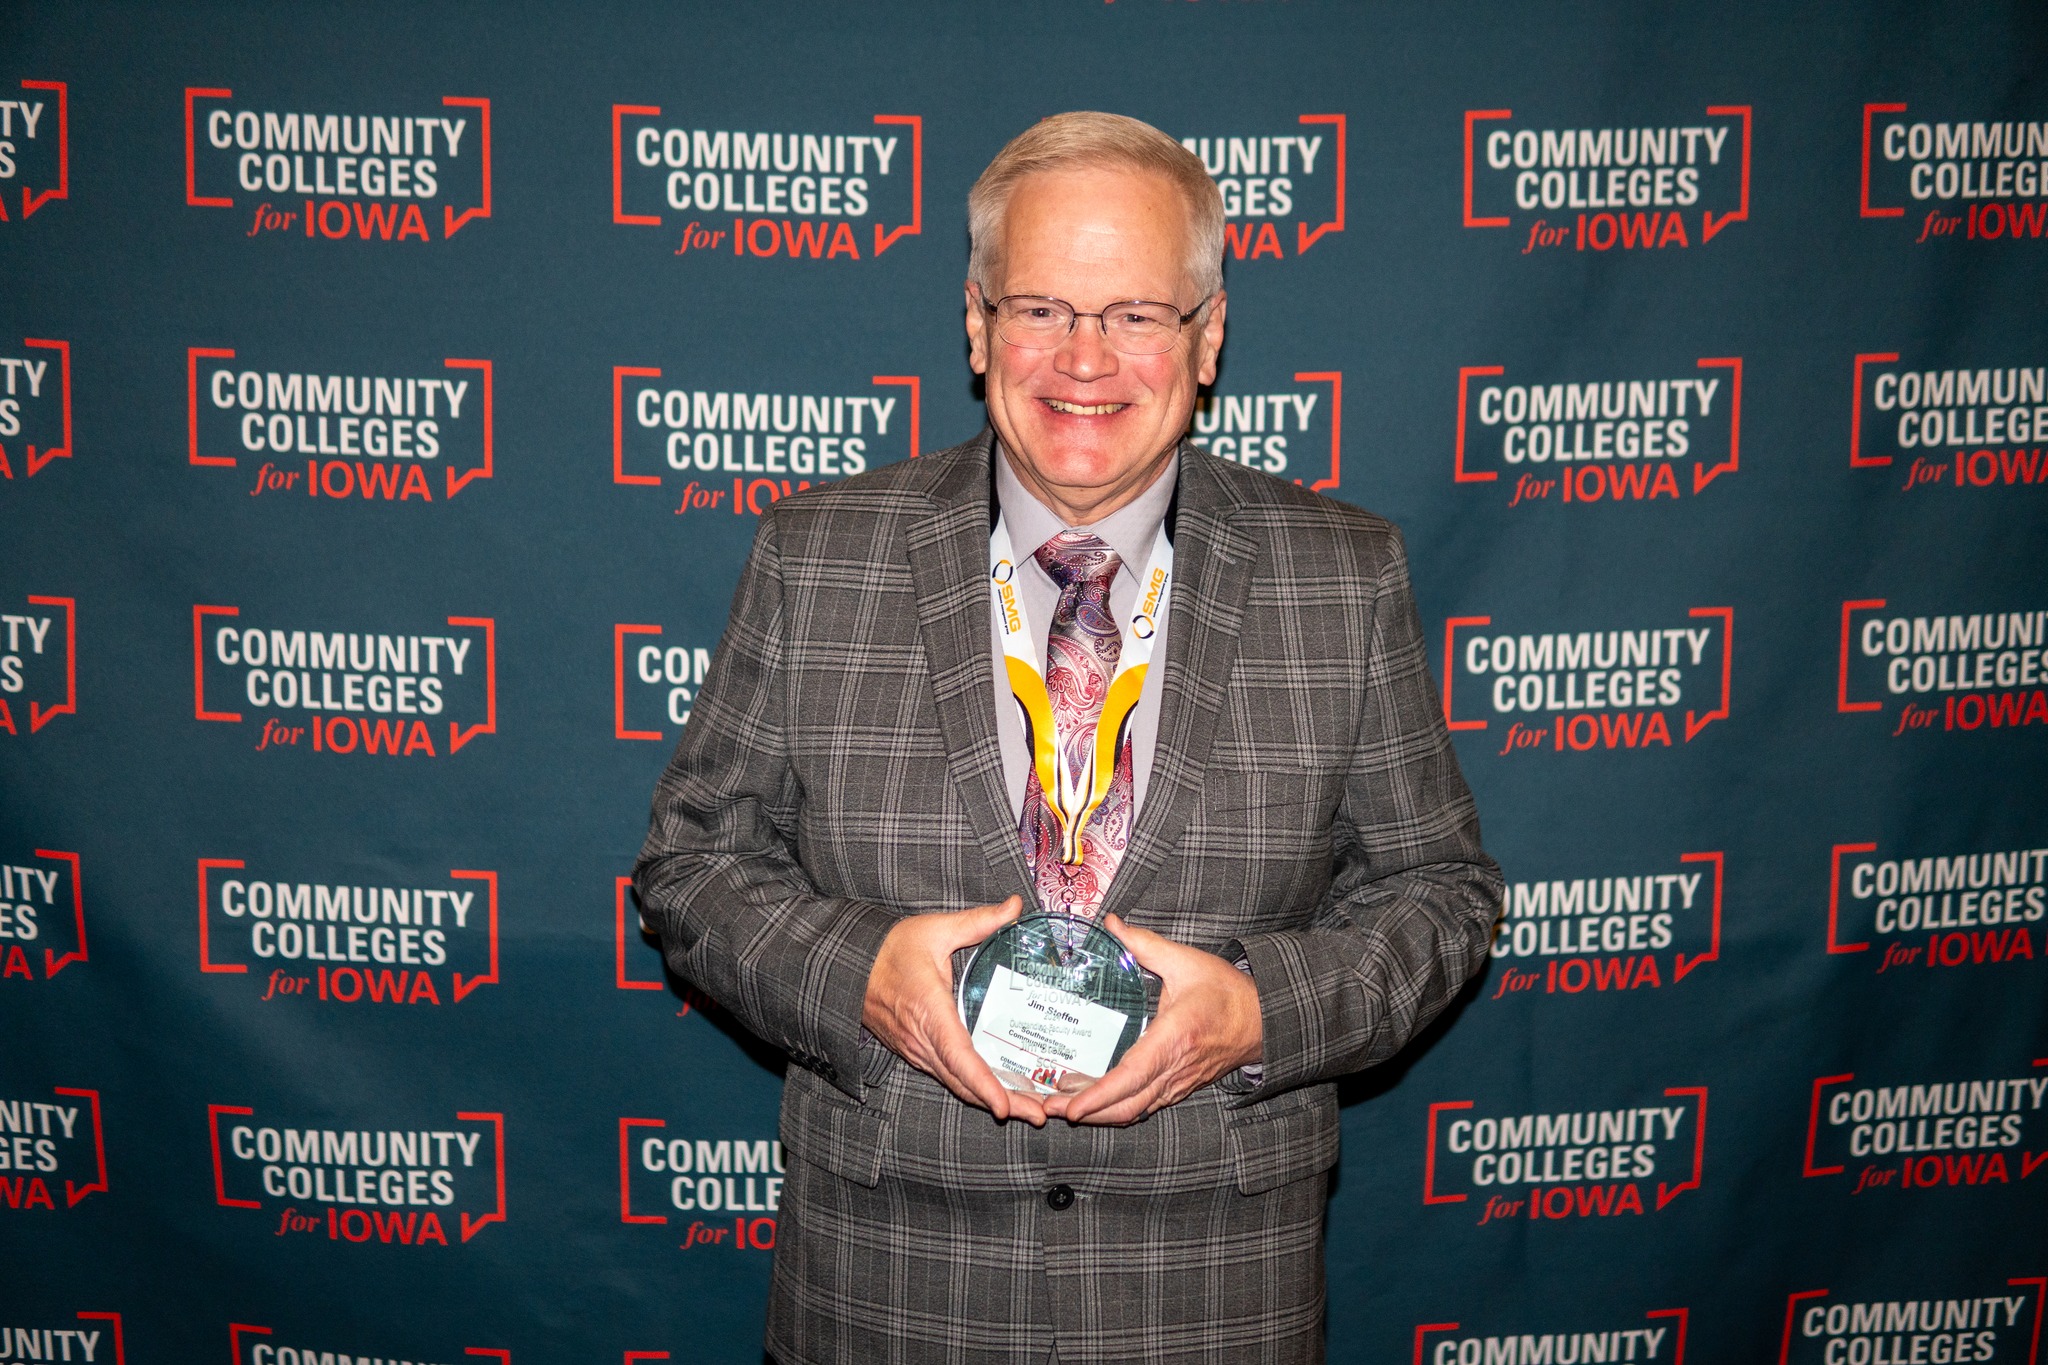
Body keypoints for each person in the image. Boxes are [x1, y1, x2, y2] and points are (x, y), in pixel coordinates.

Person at [634, 111, 1501, 1365]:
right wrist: (857, 975)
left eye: (1136, 314)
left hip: (1210, 1293)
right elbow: (690, 865)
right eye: (1041, 307)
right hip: (889, 1288)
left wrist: (1262, 1011)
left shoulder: (1340, 572)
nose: (1083, 358)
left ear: (1206, 340)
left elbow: (1440, 894)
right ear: (977, 324)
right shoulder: (817, 553)